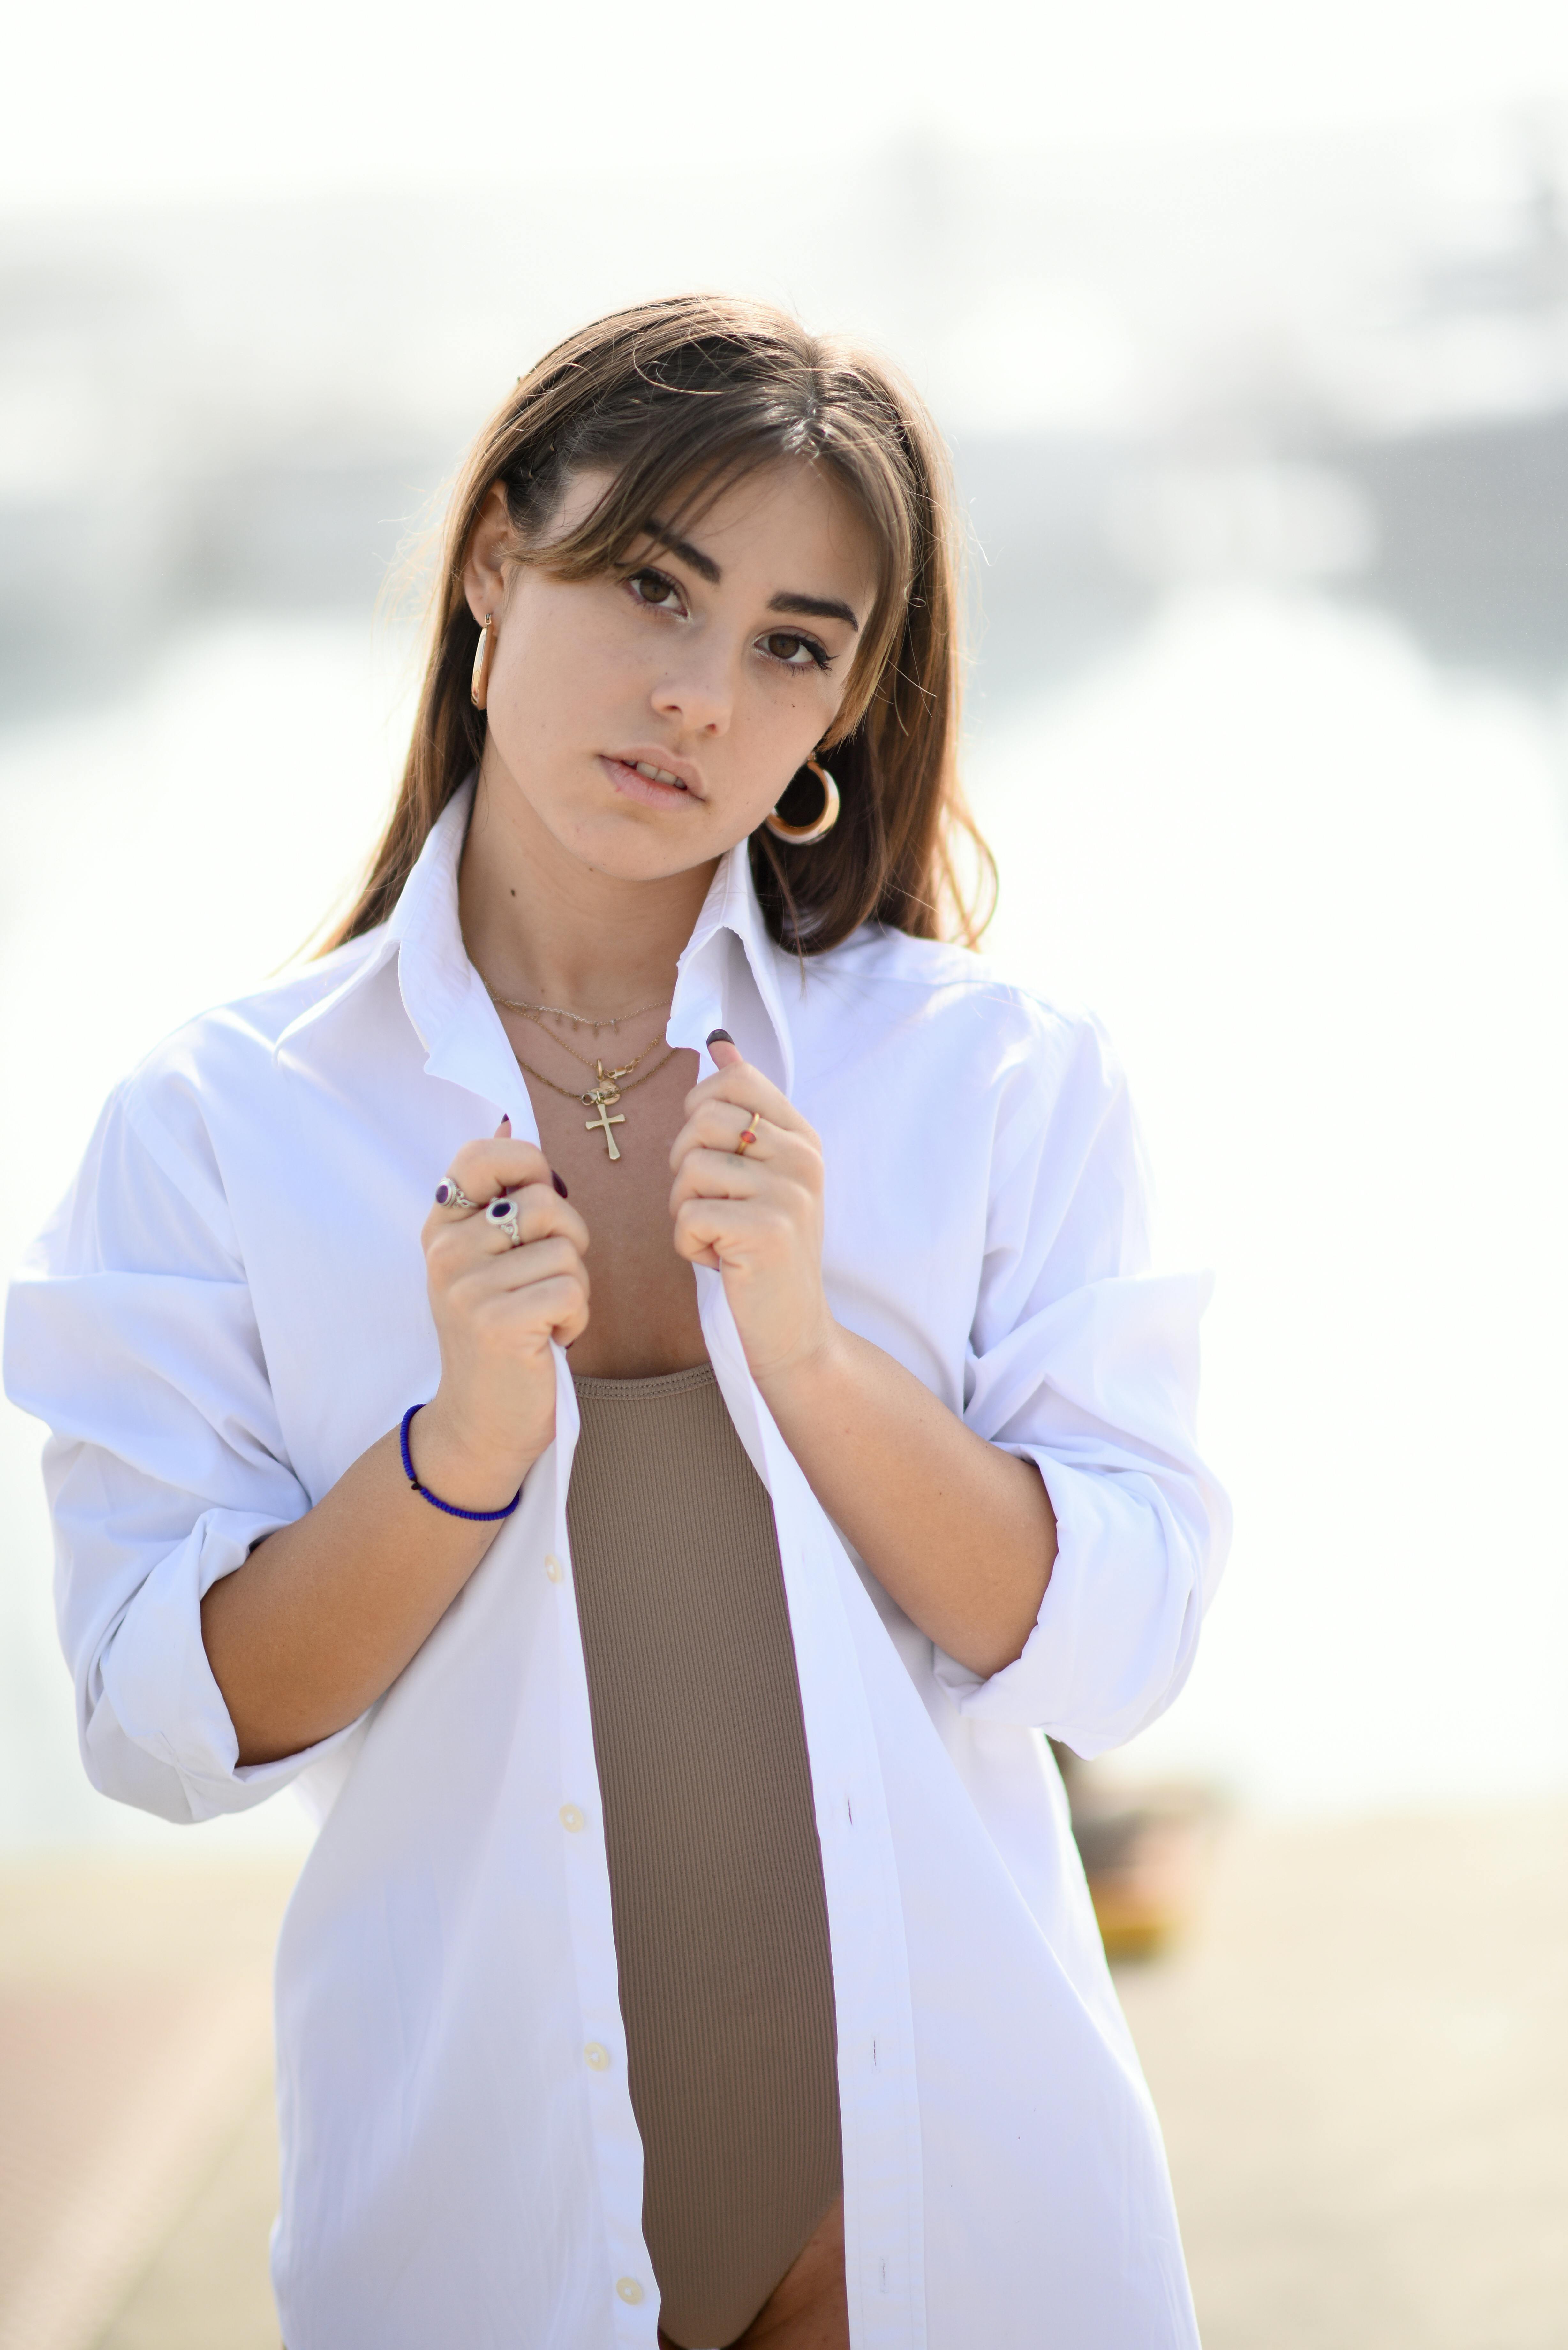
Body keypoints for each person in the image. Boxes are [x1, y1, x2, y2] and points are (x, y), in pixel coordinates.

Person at [5, 295, 1228, 2350]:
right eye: (650, 586)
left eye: (788, 644)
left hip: (959, 2226)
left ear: (843, 713)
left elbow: (1126, 1636)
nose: (694, 696)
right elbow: (158, 1725)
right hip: (482, 2238)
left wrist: (818, 1365)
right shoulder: (226, 1124)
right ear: (495, 561)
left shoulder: (996, 1081)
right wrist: (455, 1453)